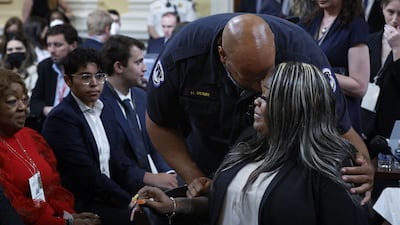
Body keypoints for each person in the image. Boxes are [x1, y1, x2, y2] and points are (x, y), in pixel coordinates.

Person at [145, 13, 374, 203]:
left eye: (266, 75)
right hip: (205, 157)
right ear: (223, 55)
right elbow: (158, 123)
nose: (260, 88)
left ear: (273, 44)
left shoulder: (305, 56)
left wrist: (363, 168)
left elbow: (341, 129)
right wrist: (194, 177)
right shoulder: (182, 56)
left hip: (278, 175)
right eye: (251, 78)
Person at [133, 62, 370, 225]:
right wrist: (175, 205)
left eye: (267, 98)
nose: (256, 102)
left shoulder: (331, 166)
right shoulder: (249, 142)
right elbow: (227, 204)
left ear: (293, 107)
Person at [41, 48, 143, 225]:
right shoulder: (62, 118)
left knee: (159, 210)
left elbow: (118, 161)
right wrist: (130, 201)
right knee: (142, 219)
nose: (95, 83)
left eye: (100, 76)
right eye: (86, 77)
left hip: (109, 195)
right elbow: (86, 174)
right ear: (68, 81)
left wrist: (139, 194)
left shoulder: (105, 110)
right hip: (82, 203)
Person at [0, 68, 101, 225]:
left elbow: (52, 188)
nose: (23, 107)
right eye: (12, 102)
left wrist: (68, 216)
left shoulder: (31, 137)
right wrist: (65, 223)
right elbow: (14, 208)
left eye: (25, 100)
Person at [100, 35, 179, 190]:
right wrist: (152, 179)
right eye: (138, 62)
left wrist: (169, 173)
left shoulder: (141, 96)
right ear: (118, 67)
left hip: (152, 183)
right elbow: (114, 160)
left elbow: (153, 143)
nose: (144, 68)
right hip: (119, 189)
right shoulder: (100, 104)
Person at [299, 0, 370, 136]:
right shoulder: (310, 20)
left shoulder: (356, 26)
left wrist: (318, 73)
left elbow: (360, 86)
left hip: (340, 117)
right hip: (311, 114)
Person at [29, 24, 78, 132]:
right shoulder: (45, 67)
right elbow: (35, 101)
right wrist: (47, 110)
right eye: (49, 45)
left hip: (75, 125)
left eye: (57, 45)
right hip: (50, 123)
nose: (51, 50)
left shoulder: (83, 69)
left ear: (73, 45)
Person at [367, 0, 400, 140]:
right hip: (367, 118)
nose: (395, 20)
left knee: (388, 162)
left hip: (395, 125)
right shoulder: (370, 40)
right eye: (390, 12)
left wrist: (397, 49)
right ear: (382, 8)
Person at [0, 32, 38, 97]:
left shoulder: (35, 69)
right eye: (10, 50)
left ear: (26, 50)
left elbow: (35, 94)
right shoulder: (2, 70)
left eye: (18, 49)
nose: (14, 52)